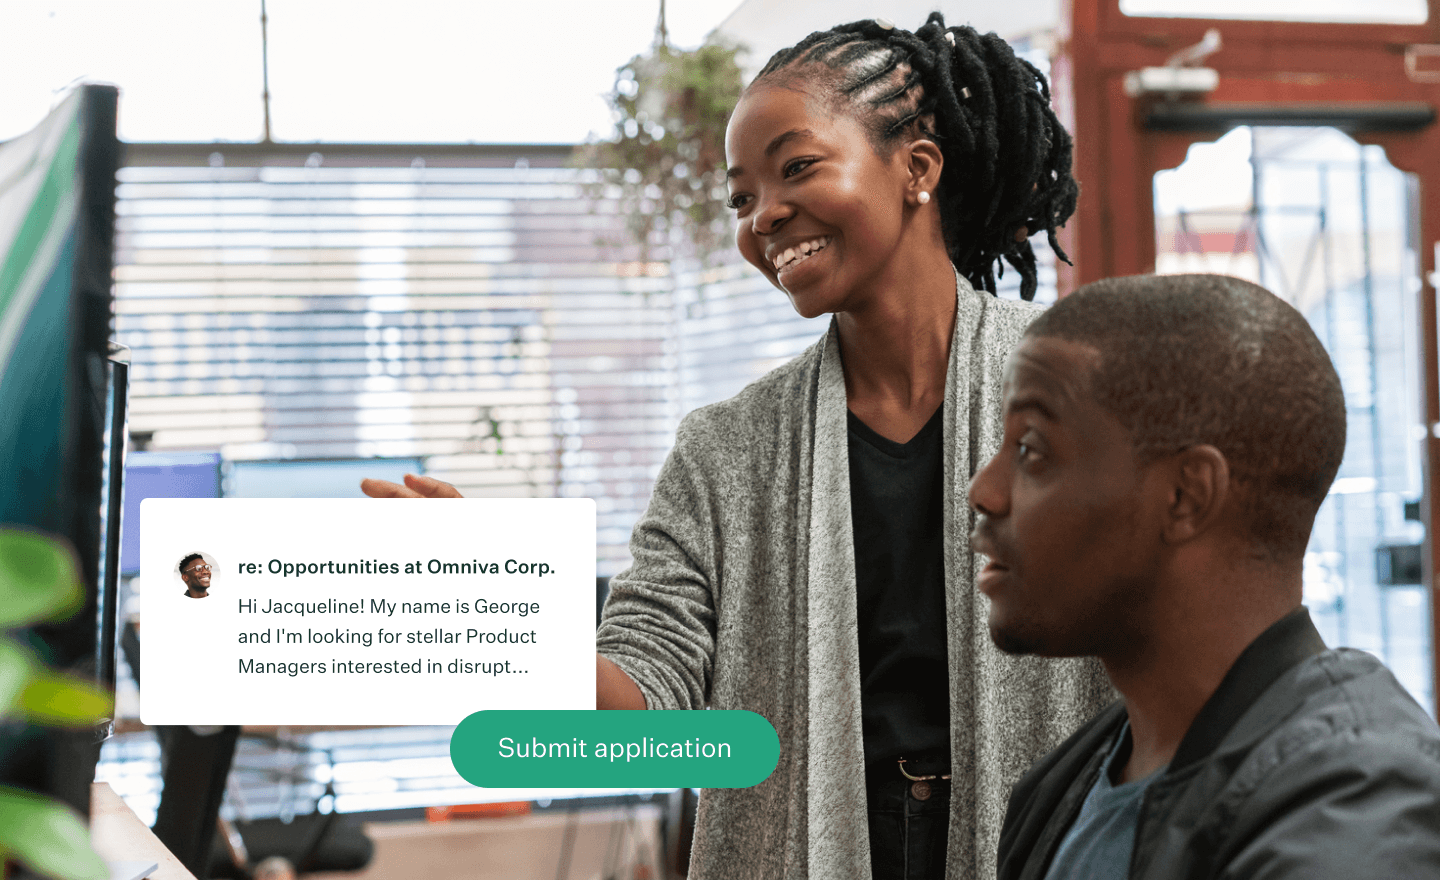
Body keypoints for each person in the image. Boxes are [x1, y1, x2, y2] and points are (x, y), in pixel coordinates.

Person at [364, 14, 1110, 879]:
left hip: (1055, 847)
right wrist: (490, 600)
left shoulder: (1081, 379)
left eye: (796, 168)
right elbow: (647, 707)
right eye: (741, 198)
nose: (765, 217)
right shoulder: (725, 450)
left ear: (918, 168)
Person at [969, 273, 1440, 879]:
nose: (985, 490)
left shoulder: (1357, 812)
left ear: (1185, 496)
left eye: (1030, 449)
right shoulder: (1065, 782)